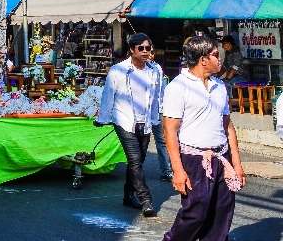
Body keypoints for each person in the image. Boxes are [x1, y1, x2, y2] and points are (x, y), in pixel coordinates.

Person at [162, 34, 246, 241]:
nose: (220, 60)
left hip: (221, 157)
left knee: (221, 214)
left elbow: (228, 126)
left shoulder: (219, 87)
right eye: (216, 55)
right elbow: (169, 130)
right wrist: (178, 171)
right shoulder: (178, 87)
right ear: (203, 59)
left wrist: (237, 163)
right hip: (193, 159)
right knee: (195, 212)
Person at [95, 32, 165, 216]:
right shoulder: (118, 70)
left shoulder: (155, 70)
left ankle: (128, 194)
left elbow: (159, 95)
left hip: (146, 120)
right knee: (134, 159)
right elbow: (108, 95)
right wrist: (103, 118)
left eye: (147, 48)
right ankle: (146, 200)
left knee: (138, 161)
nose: (144, 51)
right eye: (140, 48)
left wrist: (160, 115)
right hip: (124, 120)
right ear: (131, 50)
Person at [147, 47, 174, 181]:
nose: (150, 55)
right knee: (140, 143)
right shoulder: (131, 69)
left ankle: (166, 171)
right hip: (140, 112)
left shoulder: (157, 67)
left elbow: (161, 90)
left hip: (158, 110)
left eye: (152, 52)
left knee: (162, 140)